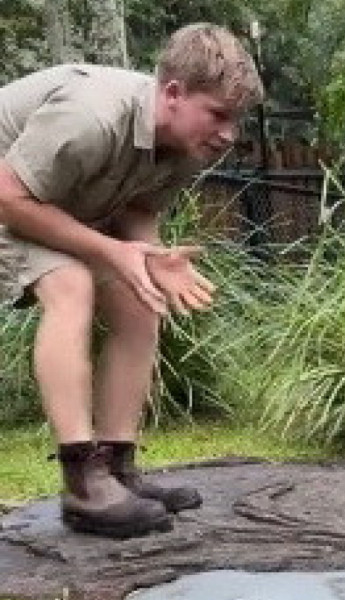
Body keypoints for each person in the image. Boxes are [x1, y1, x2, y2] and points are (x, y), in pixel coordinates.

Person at [0, 23, 263, 538]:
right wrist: (112, 250)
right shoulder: (91, 116)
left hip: (49, 205)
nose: (229, 134)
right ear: (172, 93)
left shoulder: (187, 148)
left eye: (236, 121)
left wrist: (153, 258)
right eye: (218, 115)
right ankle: (82, 482)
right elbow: (10, 198)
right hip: (9, 197)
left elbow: (138, 210)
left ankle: (117, 471)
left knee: (140, 298)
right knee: (70, 285)